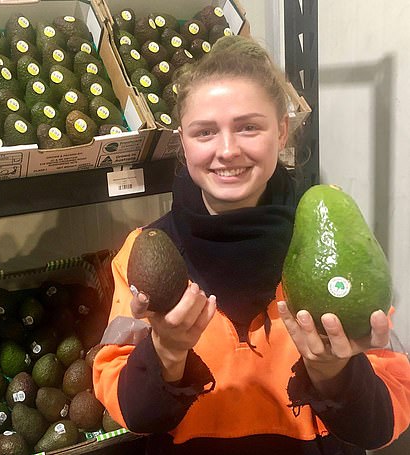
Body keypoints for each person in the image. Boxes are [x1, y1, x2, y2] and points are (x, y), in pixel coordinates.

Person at [92, 35, 410, 454]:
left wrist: (334, 373)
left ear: (281, 133)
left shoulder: (332, 250)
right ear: (183, 143)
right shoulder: (141, 254)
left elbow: (383, 421)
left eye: (248, 127)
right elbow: (134, 415)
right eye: (205, 132)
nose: (227, 150)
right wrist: (165, 352)